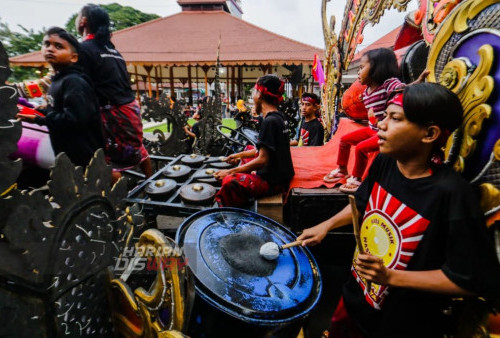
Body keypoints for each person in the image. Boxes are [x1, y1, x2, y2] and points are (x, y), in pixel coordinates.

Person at [298, 83, 500, 337]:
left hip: (400, 323)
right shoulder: (385, 162)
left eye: (395, 118)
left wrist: (390, 277)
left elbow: (470, 279)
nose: (381, 124)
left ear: (429, 134)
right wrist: (326, 225)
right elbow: (362, 204)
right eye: (384, 116)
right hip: (355, 298)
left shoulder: (451, 194)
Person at [323, 48, 427, 193]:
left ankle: (357, 178)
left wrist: (417, 82)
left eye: (361, 67)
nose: (358, 72)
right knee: (345, 140)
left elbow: (403, 89)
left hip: (385, 131)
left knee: (360, 148)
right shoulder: (366, 92)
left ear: (378, 67)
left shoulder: (388, 84)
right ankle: (341, 168)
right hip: (372, 129)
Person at [75, 4, 151, 182]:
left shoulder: (84, 49)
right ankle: (152, 181)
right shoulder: (113, 50)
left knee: (108, 162)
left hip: (112, 113)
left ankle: (122, 204)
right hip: (130, 110)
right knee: (138, 150)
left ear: (83, 21)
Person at [17, 27, 104, 167]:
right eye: (47, 44)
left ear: (74, 57)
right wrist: (44, 110)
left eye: (58, 46)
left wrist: (39, 119)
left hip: (83, 153)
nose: (50, 49)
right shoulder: (57, 80)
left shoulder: (74, 81)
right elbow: (60, 110)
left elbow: (75, 119)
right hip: (66, 151)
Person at [214, 75, 294, 207]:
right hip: (280, 175)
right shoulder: (278, 117)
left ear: (260, 95)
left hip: (273, 183)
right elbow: (265, 150)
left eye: (254, 91)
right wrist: (239, 155)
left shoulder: (270, 121)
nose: (252, 96)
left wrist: (230, 172)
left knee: (229, 181)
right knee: (248, 150)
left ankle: (235, 217)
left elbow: (263, 159)